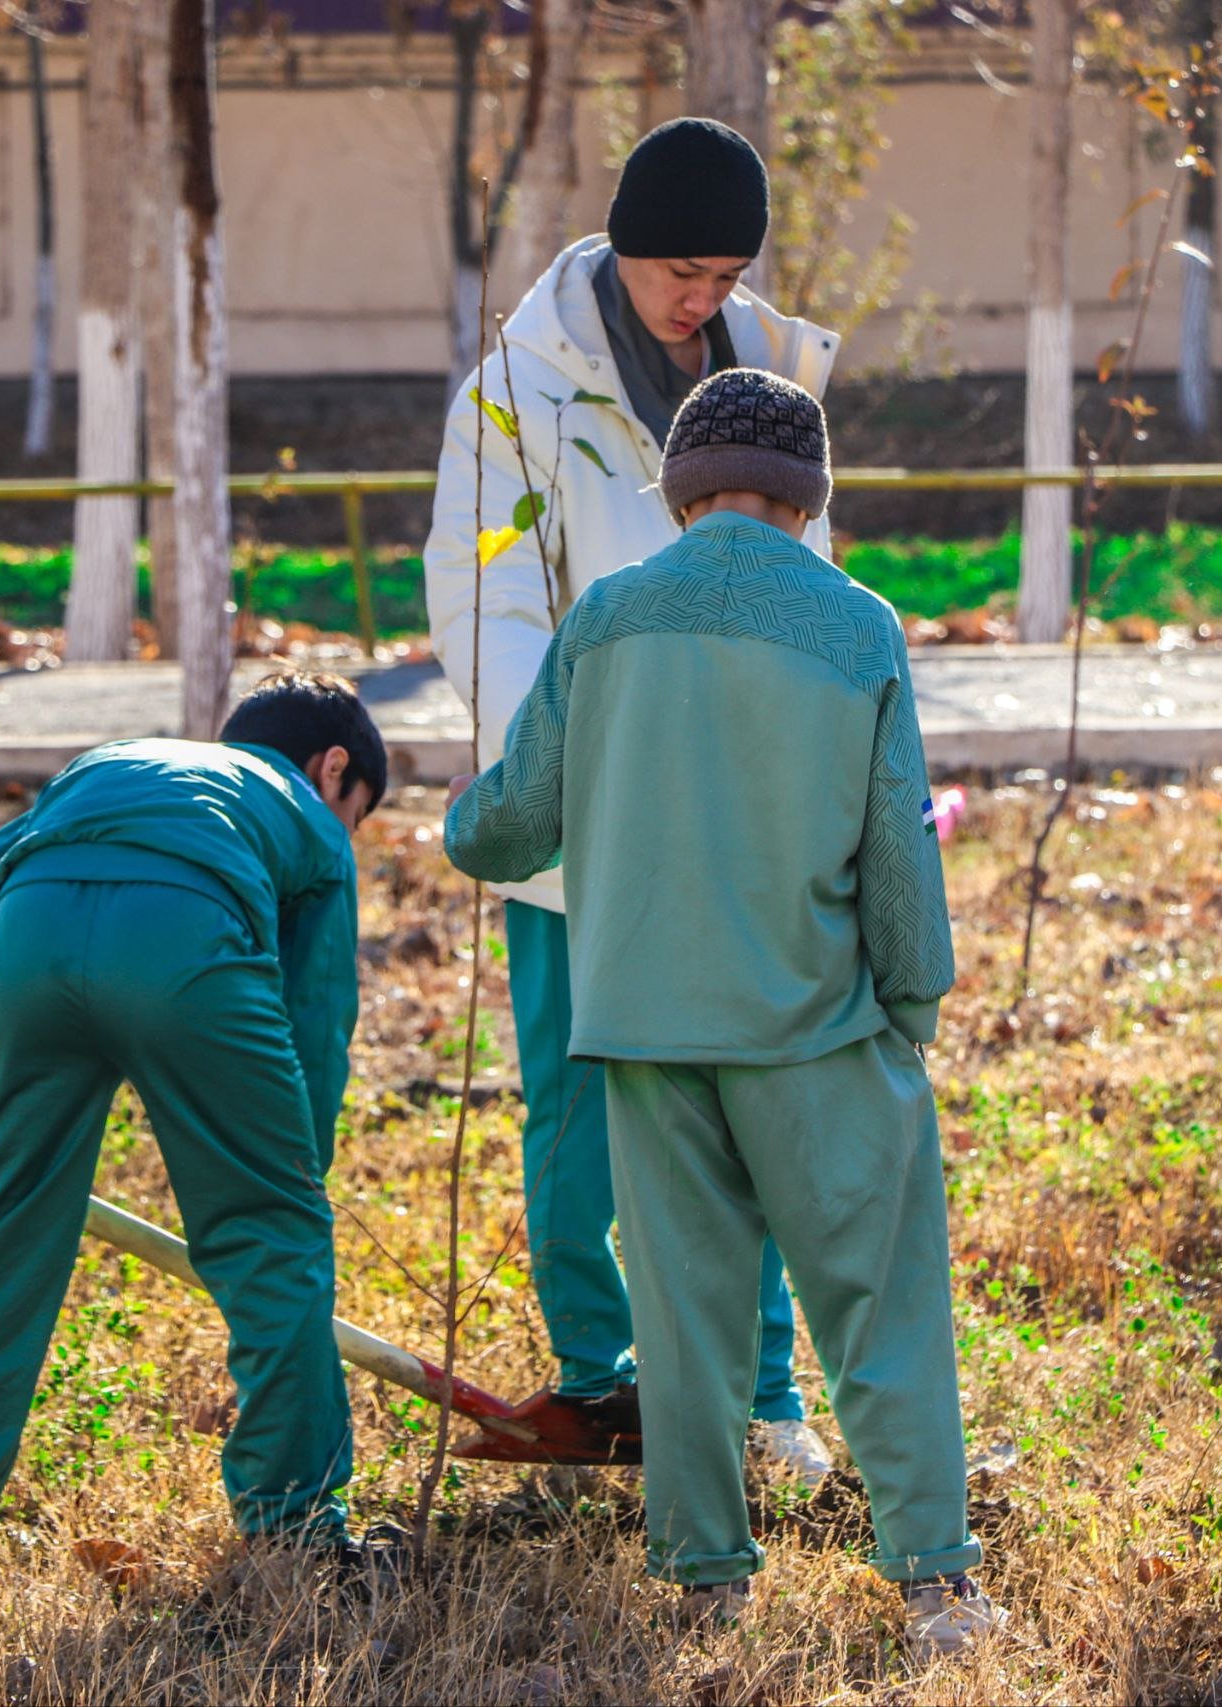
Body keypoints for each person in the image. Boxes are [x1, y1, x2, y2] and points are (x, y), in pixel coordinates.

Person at [443, 368, 1003, 1657]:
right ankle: (932, 1586)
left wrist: (459, 829)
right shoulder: (856, 625)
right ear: (809, 504)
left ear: (679, 492)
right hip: (810, 1019)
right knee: (877, 1302)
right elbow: (900, 845)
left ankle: (709, 1582)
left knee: (684, 1321)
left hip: (643, 1025)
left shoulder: (603, 618)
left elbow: (515, 820)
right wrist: (911, 1000)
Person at [422, 116, 839, 1481]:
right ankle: (607, 1382)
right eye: (678, 267)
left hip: (740, 818)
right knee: (578, 1100)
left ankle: (764, 1392)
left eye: (722, 272)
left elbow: (808, 593)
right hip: (581, 818)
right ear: (624, 243)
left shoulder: (770, 376)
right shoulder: (516, 395)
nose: (698, 296)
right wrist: (584, 759)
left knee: (747, 1095)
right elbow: (482, 607)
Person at [0, 672, 388, 1566]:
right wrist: (290, 1173)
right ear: (332, 768)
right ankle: (296, 1528)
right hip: (184, 940)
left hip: (28, 945)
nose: (348, 830)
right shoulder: (308, 819)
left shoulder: (108, 767)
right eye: (359, 812)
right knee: (273, 1240)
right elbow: (315, 1011)